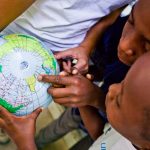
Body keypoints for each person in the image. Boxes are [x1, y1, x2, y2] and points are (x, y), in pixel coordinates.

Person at [2, 49, 150, 150]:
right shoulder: (131, 133)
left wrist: (26, 145)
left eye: (118, 100)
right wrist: (83, 103)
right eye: (122, 83)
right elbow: (102, 137)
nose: (111, 89)